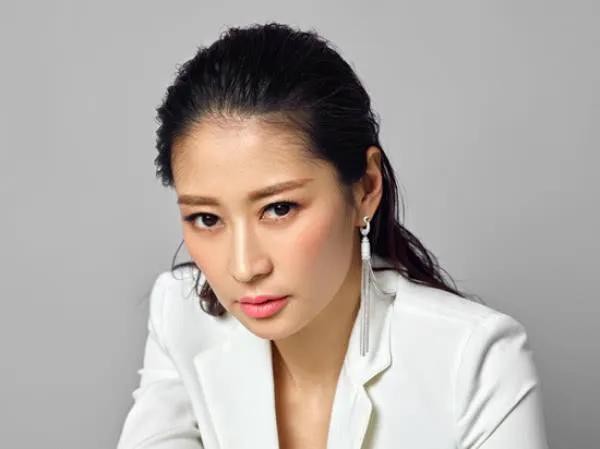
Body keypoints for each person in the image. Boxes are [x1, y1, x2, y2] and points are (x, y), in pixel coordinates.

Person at [116, 22, 550, 449]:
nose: (245, 268)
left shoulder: (475, 358)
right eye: (207, 219)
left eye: (279, 209)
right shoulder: (181, 316)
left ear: (365, 188)